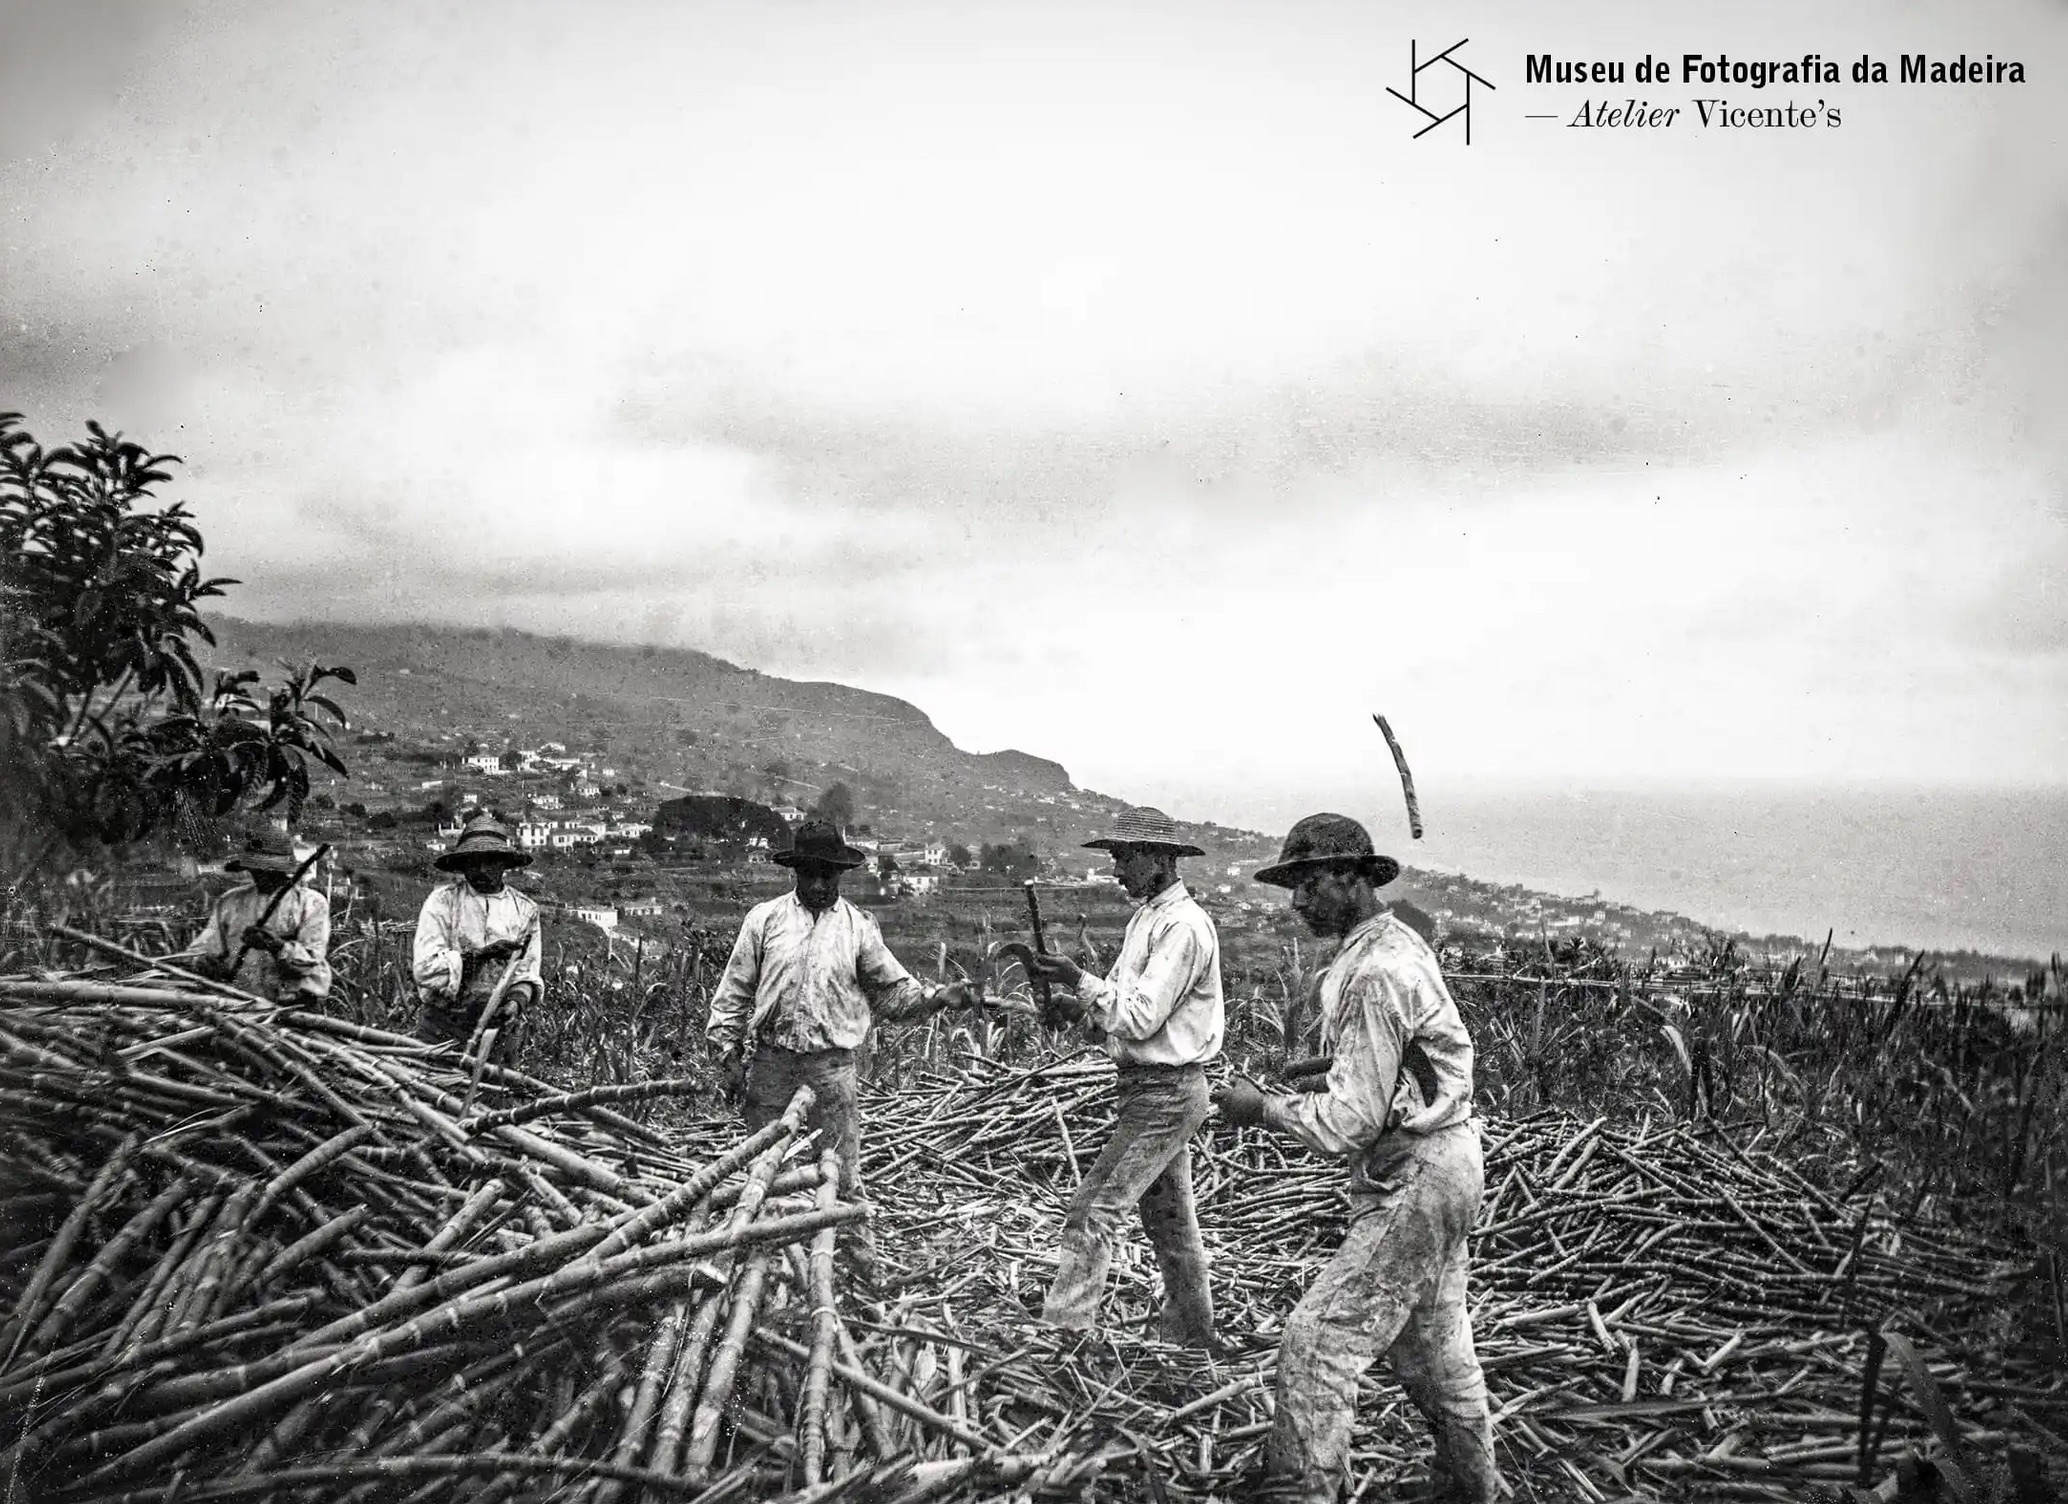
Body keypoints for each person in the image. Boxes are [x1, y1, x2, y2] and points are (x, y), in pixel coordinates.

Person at [1214, 814, 1495, 1504]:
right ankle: (1471, 1492)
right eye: (1294, 887)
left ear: (1351, 877)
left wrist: (1262, 1109)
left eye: (1309, 884)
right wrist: (1329, 1068)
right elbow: (1412, 1056)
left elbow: (1348, 1125)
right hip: (1452, 1156)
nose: (1298, 901)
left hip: (1414, 1174)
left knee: (1319, 1339)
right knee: (1435, 1354)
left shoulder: (1371, 971)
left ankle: (1301, 1491)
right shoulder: (1398, 941)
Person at [706, 819, 981, 1278]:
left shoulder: (858, 928)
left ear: (840, 875)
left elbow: (893, 994)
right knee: (764, 1175)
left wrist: (936, 998)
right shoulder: (764, 920)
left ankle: (860, 1271)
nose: (817, 884)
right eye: (809, 873)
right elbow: (732, 996)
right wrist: (729, 1057)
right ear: (795, 872)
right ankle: (767, 1274)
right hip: (771, 1066)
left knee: (843, 1175)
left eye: (827, 876)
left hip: (831, 1072)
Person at [1023, 806, 1223, 1349]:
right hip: (1152, 1090)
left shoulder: (1182, 927)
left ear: (1159, 859)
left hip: (1166, 1093)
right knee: (1171, 1226)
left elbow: (1137, 1016)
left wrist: (1076, 977)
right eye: (1114, 857)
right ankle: (1195, 1339)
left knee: (1091, 1213)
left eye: (1123, 858)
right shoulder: (1147, 920)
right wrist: (1074, 1004)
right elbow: (1117, 1013)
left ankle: (1063, 1341)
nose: (1116, 870)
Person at [412, 814, 543, 1062]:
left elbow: (527, 974)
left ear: (504, 864)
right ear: (463, 865)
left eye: (491, 862)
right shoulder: (442, 903)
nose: (482, 870)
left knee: (491, 1096)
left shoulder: (525, 910)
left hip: (495, 1032)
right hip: (442, 1027)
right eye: (474, 862)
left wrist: (514, 1005)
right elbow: (425, 970)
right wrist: (483, 955)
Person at [182, 830, 331, 1003]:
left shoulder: (311, 903)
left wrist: (276, 946)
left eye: (268, 870)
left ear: (281, 870)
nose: (261, 875)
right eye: (256, 869)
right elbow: (204, 947)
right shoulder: (230, 901)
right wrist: (203, 961)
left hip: (292, 1004)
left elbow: (310, 960)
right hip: (239, 1002)